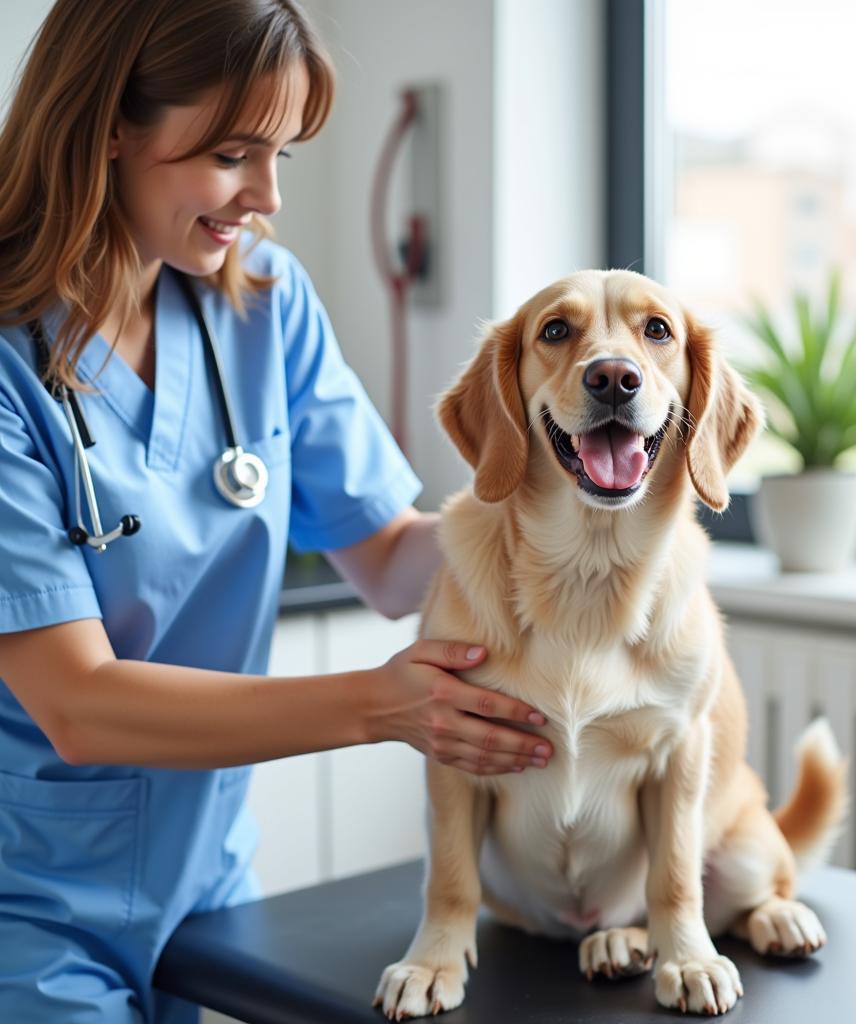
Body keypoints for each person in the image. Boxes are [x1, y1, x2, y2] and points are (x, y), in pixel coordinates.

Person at [0, 1, 554, 1020]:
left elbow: (389, 561)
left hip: (204, 881)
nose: (265, 197)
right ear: (110, 124)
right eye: (232, 153)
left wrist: (565, 510)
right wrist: (381, 706)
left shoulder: (263, 300)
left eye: (283, 155)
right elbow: (75, 705)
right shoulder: (6, 363)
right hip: (27, 901)